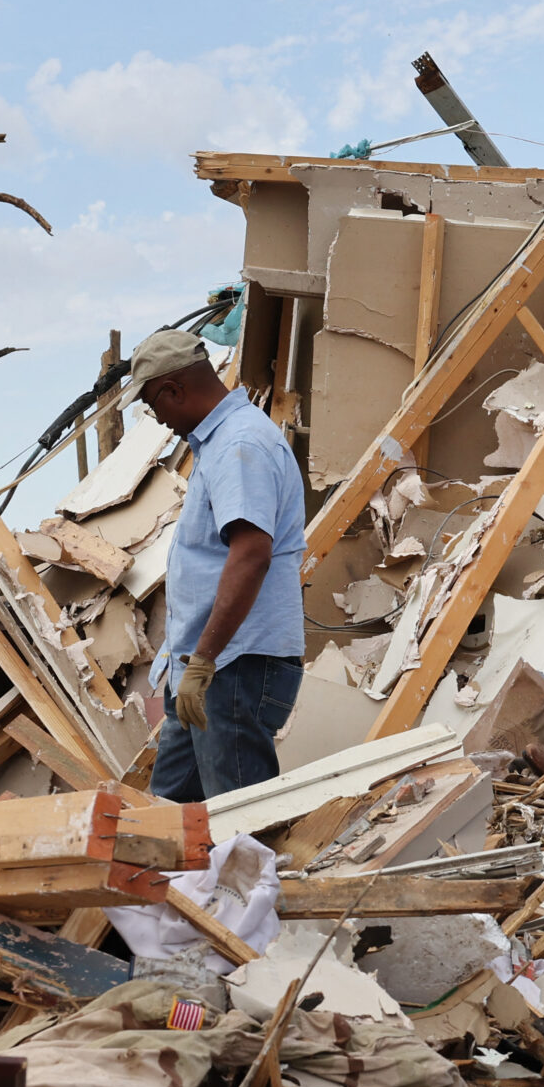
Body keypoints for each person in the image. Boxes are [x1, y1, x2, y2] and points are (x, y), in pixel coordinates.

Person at [129, 327, 305, 802]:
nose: (157, 418)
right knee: (168, 820)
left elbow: (251, 555)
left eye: (152, 404)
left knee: (239, 827)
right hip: (208, 670)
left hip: (232, 667)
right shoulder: (225, 443)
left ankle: (249, 880)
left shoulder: (238, 445)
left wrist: (205, 661)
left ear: (174, 390)